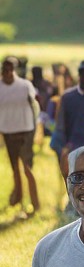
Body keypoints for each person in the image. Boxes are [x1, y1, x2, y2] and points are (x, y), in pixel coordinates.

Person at [0, 55, 40, 214]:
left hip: (25, 132)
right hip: (8, 132)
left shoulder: (24, 86)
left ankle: (35, 204)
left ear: (15, 70)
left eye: (10, 69)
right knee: (15, 169)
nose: (8, 72)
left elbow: (35, 108)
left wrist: (34, 130)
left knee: (27, 169)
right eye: (5, 69)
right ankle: (19, 199)